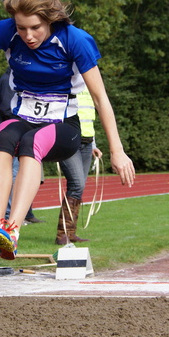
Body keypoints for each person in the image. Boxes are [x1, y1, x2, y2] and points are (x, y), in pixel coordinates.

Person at [0, 0, 135, 260]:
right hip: (25, 118)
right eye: (21, 27)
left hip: (65, 128)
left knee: (32, 141)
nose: (28, 35)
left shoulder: (74, 40)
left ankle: (13, 231)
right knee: (3, 134)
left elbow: (101, 99)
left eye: (36, 27)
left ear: (50, 19)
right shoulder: (5, 31)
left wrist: (118, 150)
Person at [0, 68, 45, 224]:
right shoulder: (8, 80)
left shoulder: (20, 80)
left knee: (26, 174)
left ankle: (26, 213)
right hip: (12, 137)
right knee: (14, 175)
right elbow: (6, 108)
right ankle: (9, 215)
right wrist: (29, 119)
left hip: (24, 136)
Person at [56, 89, 102, 244]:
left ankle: (70, 233)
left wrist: (94, 144)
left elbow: (88, 120)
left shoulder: (90, 89)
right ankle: (62, 234)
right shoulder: (68, 85)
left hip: (87, 143)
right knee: (77, 183)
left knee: (79, 187)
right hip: (70, 142)